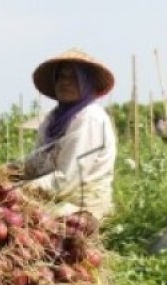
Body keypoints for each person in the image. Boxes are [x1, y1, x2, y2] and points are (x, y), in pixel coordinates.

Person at [18, 48, 117, 221]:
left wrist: (22, 190)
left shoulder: (91, 118)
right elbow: (38, 159)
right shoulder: (52, 119)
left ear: (87, 82)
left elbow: (68, 178)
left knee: (27, 218)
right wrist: (8, 174)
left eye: (73, 77)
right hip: (53, 198)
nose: (65, 82)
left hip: (83, 206)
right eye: (61, 76)